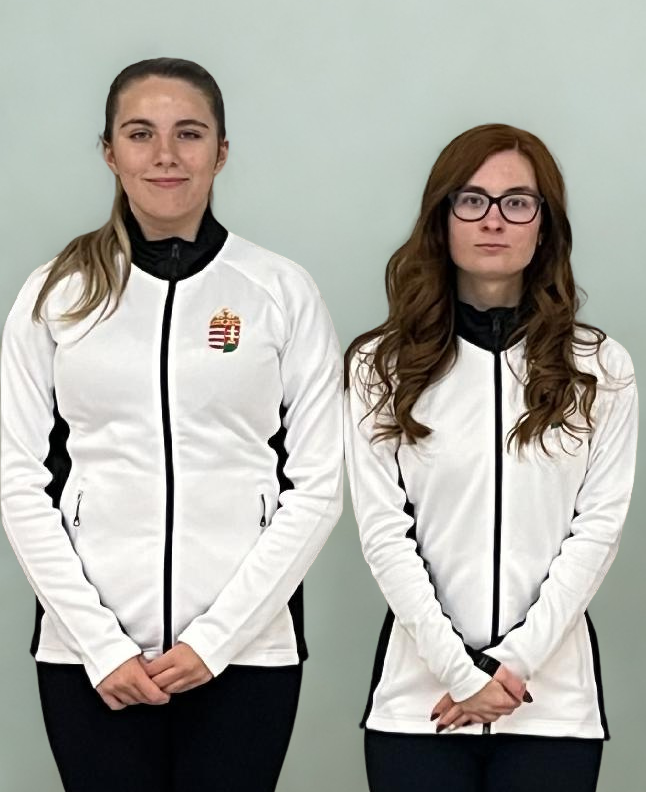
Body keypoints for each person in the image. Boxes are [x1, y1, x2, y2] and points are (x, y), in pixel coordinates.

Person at [0, 57, 343, 792]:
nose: (165, 154)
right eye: (140, 133)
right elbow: (18, 481)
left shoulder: (280, 291)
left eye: (189, 133)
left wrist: (216, 641)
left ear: (221, 151)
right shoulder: (55, 293)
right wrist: (100, 644)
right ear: (109, 152)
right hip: (91, 656)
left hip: (245, 653)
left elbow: (317, 486)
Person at [346, 123, 636, 792]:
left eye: (518, 202)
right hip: (420, 704)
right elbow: (384, 533)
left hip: (551, 706)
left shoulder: (600, 367)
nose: (494, 220)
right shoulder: (379, 367)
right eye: (472, 200)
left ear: (545, 225)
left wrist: (514, 663)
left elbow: (598, 529)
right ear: (442, 217)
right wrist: (459, 672)